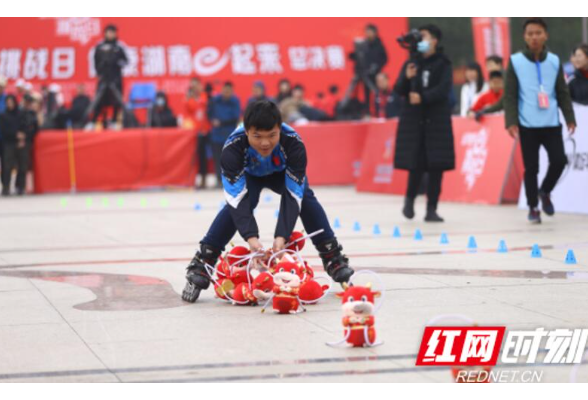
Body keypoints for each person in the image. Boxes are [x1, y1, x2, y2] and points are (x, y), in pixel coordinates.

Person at [181, 100, 355, 303]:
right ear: (246, 131)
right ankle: (204, 261)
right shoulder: (232, 148)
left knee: (305, 198)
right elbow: (237, 200)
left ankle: (332, 256)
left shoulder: (293, 143)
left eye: (272, 135)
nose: (265, 143)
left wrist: (281, 237)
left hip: (280, 175)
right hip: (250, 176)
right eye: (257, 136)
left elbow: (293, 195)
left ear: (280, 129)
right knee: (239, 205)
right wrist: (252, 240)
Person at [503, 18, 576, 224]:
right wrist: (511, 121)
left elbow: (562, 92)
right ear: (525, 37)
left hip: (551, 122)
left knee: (560, 161)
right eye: (530, 34)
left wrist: (569, 117)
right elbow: (509, 95)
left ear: (546, 35)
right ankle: (533, 207)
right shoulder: (516, 61)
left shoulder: (553, 60)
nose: (534, 37)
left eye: (538, 33)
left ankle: (545, 191)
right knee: (531, 168)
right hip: (527, 125)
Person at [393, 24, 455, 223]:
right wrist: (407, 77)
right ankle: (409, 201)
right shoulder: (412, 63)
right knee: (416, 165)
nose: (420, 40)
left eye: (424, 36)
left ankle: (432, 209)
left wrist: (423, 97)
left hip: (437, 122)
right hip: (415, 122)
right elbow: (399, 89)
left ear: (434, 40)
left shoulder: (444, 63)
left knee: (436, 167)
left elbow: (444, 89)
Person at [89, 24, 128, 129]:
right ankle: (93, 122)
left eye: (113, 32)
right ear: (105, 33)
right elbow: (95, 62)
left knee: (117, 101)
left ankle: (115, 121)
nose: (110, 34)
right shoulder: (99, 47)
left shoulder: (119, 47)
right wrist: (100, 71)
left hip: (115, 79)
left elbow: (125, 61)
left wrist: (116, 62)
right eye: (109, 32)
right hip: (103, 79)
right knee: (99, 100)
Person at [208, 81, 241, 188]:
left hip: (229, 134)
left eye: (228, 91)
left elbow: (235, 117)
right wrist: (212, 120)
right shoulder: (215, 100)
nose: (226, 93)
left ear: (231, 92)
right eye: (224, 91)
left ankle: (230, 179)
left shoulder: (235, 101)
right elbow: (209, 113)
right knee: (217, 158)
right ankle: (218, 179)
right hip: (216, 135)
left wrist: (221, 122)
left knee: (230, 158)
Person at [185, 77, 211, 189]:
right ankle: (194, 179)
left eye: (196, 85)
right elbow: (189, 112)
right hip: (194, 132)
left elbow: (206, 107)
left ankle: (204, 179)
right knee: (196, 156)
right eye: (192, 86)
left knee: (204, 156)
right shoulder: (189, 99)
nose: (194, 87)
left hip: (206, 130)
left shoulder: (205, 96)